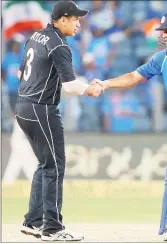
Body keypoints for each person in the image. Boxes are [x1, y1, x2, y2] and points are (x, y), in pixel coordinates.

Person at [93, 11, 167, 241]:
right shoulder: (163, 58)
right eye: (162, 31)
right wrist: (106, 83)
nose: (163, 36)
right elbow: (134, 77)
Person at [16, 1, 103, 241]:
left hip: (22, 106)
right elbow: (71, 86)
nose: (79, 23)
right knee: (54, 166)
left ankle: (33, 222)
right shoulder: (59, 45)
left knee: (44, 165)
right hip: (42, 109)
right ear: (62, 19)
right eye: (75, 19)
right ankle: (52, 228)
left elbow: (20, 73)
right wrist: (90, 90)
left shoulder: (35, 36)